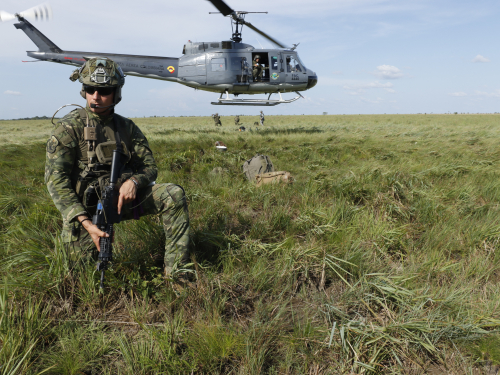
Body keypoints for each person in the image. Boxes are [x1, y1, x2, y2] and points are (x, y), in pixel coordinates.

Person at [45, 57, 190, 280]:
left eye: (103, 91)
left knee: (173, 195)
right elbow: (56, 181)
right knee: (78, 278)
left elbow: (149, 166)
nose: (96, 96)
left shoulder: (126, 127)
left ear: (116, 93)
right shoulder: (69, 127)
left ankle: (177, 275)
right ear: (83, 90)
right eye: (91, 89)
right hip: (87, 210)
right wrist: (85, 222)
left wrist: (134, 182)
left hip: (124, 201)